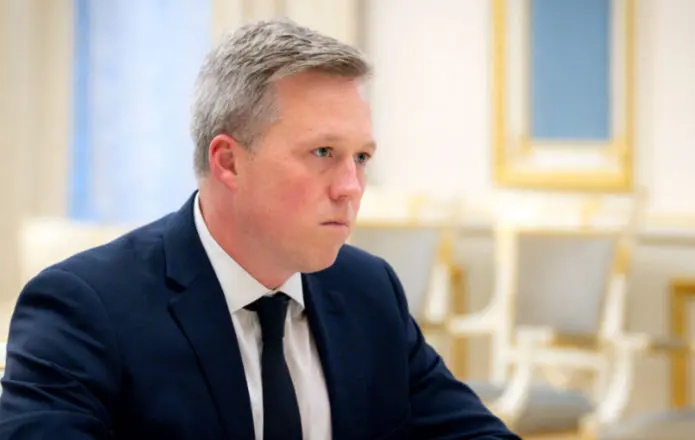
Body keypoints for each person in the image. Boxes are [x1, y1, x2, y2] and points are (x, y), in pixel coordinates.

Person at [0, 19, 519, 440]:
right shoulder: (85, 308)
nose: (352, 187)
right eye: (323, 152)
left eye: (361, 157)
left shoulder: (369, 292)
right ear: (228, 161)